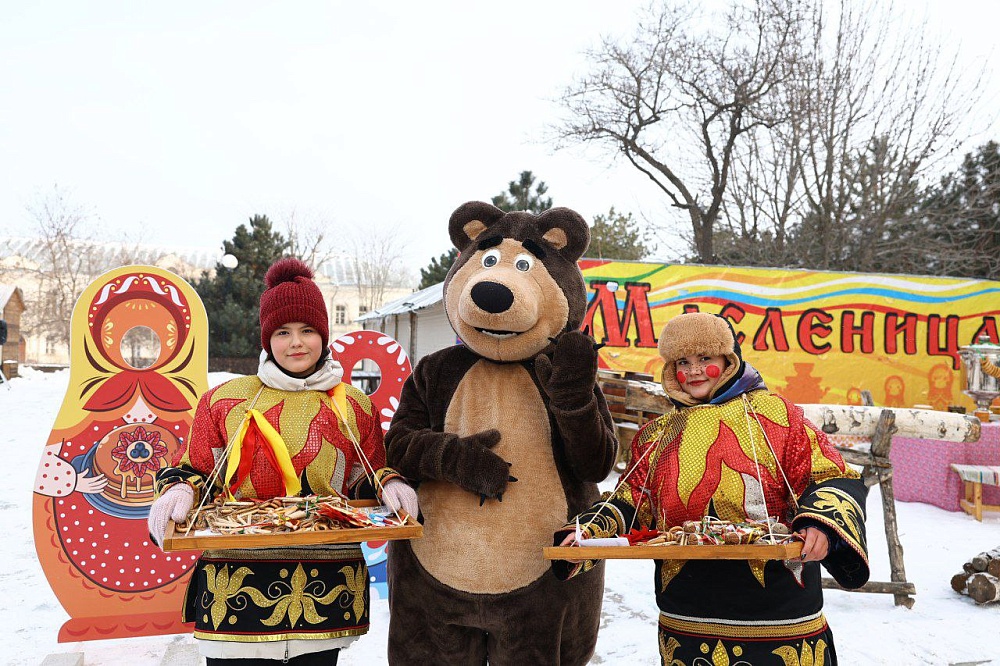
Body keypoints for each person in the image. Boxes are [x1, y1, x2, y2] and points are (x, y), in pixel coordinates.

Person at [554, 312, 869, 665]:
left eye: (705, 358)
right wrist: (588, 533)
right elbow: (631, 500)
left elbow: (830, 475)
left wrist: (821, 525)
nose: (693, 371)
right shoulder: (657, 434)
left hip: (779, 617)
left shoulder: (776, 415)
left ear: (728, 359)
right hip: (688, 617)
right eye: (682, 362)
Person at [148, 257, 417, 666]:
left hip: (324, 590)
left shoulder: (354, 405)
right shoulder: (225, 401)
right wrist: (180, 489)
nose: (297, 343)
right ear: (266, 338)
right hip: (235, 593)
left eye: (308, 330)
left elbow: (366, 476)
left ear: (324, 335)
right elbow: (198, 469)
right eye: (283, 332)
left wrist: (391, 485)